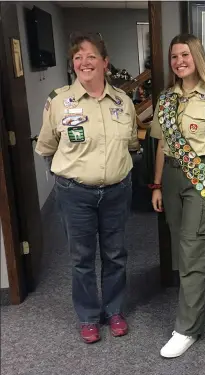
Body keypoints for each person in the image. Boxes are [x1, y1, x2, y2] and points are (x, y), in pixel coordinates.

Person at [35, 33, 139, 344]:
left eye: (91, 56)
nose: (84, 62)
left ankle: (115, 310)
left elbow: (132, 144)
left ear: (105, 62)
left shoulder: (124, 102)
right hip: (74, 193)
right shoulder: (58, 101)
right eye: (78, 58)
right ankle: (88, 316)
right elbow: (47, 147)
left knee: (115, 254)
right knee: (81, 258)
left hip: (117, 190)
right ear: (73, 64)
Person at [150, 33, 205, 358]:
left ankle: (187, 327)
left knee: (194, 248)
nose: (179, 61)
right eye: (174, 56)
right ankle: (197, 308)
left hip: (202, 177)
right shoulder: (166, 99)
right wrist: (157, 184)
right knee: (181, 246)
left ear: (197, 57)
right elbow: (161, 144)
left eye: (185, 55)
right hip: (171, 178)